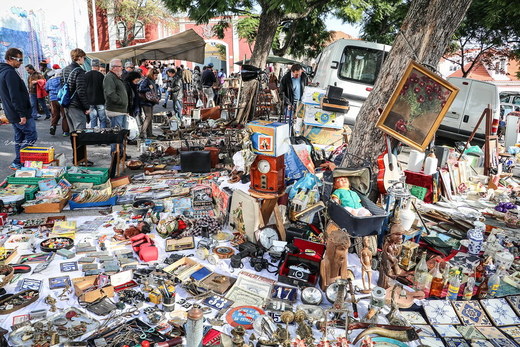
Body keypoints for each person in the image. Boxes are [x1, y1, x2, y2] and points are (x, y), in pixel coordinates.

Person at [0, 48, 38, 170]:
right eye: (19, 60)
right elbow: (14, 95)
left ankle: (19, 163)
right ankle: (19, 161)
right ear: (11, 59)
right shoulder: (9, 72)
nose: (21, 63)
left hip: (13, 112)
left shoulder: (4, 72)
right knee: (31, 136)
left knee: (19, 138)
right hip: (19, 113)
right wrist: (22, 114)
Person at [63, 48, 91, 165]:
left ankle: (77, 158)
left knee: (73, 133)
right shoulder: (79, 71)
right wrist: (86, 107)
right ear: (79, 57)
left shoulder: (65, 70)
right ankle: (79, 159)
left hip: (67, 105)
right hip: (76, 106)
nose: (84, 60)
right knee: (80, 133)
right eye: (84, 57)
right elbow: (81, 91)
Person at [103, 59, 128, 153]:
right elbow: (110, 93)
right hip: (115, 111)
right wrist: (121, 101)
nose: (122, 68)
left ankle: (120, 153)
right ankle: (115, 154)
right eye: (120, 66)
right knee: (116, 134)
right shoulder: (109, 77)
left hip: (120, 110)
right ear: (114, 68)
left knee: (121, 134)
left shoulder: (116, 77)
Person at [279, 63, 308, 128]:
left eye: (300, 73)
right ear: (292, 72)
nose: (298, 76)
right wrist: (288, 103)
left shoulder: (304, 77)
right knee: (288, 124)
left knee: (299, 123)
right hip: (290, 104)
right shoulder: (286, 78)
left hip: (301, 103)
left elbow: (306, 89)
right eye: (296, 74)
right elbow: (281, 93)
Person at [46, 67, 70, 136]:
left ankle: (53, 126)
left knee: (55, 114)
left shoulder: (49, 81)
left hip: (53, 99)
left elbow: (46, 89)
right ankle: (65, 132)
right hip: (62, 99)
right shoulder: (63, 80)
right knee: (64, 115)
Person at [85, 59, 107, 128]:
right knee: (102, 119)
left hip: (90, 101)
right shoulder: (101, 76)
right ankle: (103, 133)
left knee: (93, 119)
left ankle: (93, 135)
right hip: (100, 100)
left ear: (91, 65)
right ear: (98, 66)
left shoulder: (86, 75)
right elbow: (104, 89)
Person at [138, 68, 159, 138]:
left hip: (150, 101)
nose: (157, 77)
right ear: (151, 74)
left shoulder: (151, 80)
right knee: (148, 117)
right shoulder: (146, 80)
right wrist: (149, 88)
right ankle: (142, 133)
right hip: (146, 102)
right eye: (155, 75)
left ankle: (150, 134)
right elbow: (140, 89)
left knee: (150, 117)